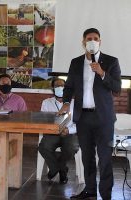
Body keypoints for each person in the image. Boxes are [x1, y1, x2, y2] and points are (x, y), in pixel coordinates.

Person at [58, 28, 121, 200]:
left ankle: (106, 194)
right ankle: (90, 190)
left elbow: (117, 88)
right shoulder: (76, 62)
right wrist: (65, 103)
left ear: (100, 41)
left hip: (104, 119)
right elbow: (69, 86)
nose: (92, 41)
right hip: (83, 117)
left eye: (95, 38)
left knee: (105, 157)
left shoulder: (111, 61)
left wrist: (102, 73)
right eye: (89, 38)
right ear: (83, 42)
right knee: (87, 157)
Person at [38, 78, 79, 184]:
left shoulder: (75, 103)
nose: (60, 88)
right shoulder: (46, 103)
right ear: (53, 89)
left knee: (71, 148)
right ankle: (60, 169)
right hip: (52, 133)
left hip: (69, 133)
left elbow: (80, 123)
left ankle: (56, 168)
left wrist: (69, 130)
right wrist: (54, 129)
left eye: (63, 86)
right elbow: (43, 121)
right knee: (43, 147)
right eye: (57, 86)